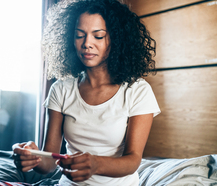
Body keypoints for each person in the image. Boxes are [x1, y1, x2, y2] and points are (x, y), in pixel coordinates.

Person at [12, 0, 160, 185]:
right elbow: (49, 163)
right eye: (80, 35)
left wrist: (96, 164)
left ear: (116, 39)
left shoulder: (137, 91)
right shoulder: (61, 89)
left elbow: (132, 160)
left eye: (98, 36)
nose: (87, 43)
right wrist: (32, 157)